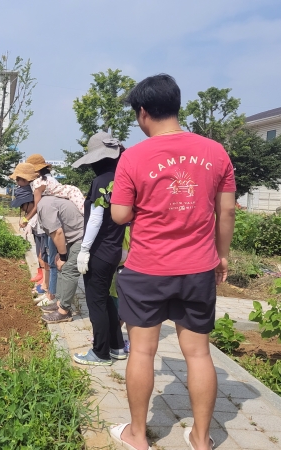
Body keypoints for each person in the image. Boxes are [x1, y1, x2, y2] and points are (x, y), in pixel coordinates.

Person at [109, 74, 235, 450]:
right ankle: (201, 438)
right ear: (176, 106)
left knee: (142, 351)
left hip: (147, 268)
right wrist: (222, 255)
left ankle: (137, 435)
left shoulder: (133, 157)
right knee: (198, 353)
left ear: (143, 112)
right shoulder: (216, 153)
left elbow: (119, 214)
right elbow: (227, 212)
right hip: (198, 268)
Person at [69, 132, 127, 366]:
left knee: (95, 302)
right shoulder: (123, 179)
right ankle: (117, 346)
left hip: (99, 250)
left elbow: (95, 218)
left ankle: (100, 352)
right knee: (105, 298)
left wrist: (84, 250)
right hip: (114, 249)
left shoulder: (101, 181)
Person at [14, 185, 84, 324]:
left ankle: (64, 312)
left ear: (31, 202)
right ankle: (60, 303)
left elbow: (57, 232)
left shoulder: (44, 206)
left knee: (69, 271)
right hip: (72, 238)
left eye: (23, 206)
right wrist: (61, 253)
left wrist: (63, 256)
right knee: (61, 268)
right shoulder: (44, 204)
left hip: (81, 237)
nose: (23, 210)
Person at [10, 163, 50, 296]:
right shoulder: (32, 187)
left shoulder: (38, 189)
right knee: (39, 254)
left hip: (44, 228)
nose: (17, 182)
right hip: (37, 227)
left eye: (18, 179)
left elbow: (36, 208)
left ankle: (46, 285)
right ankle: (42, 278)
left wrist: (27, 219)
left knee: (44, 256)